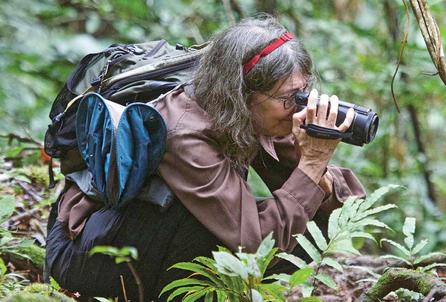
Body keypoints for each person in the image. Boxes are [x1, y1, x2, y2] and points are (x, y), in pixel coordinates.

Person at [45, 14, 365, 301]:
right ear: (242, 94)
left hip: (138, 241)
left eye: (303, 92)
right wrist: (309, 167)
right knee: (207, 222)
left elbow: (347, 206)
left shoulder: (255, 113)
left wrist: (315, 162)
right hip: (83, 252)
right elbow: (253, 241)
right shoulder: (184, 131)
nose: (298, 105)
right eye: (287, 98)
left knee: (313, 212)